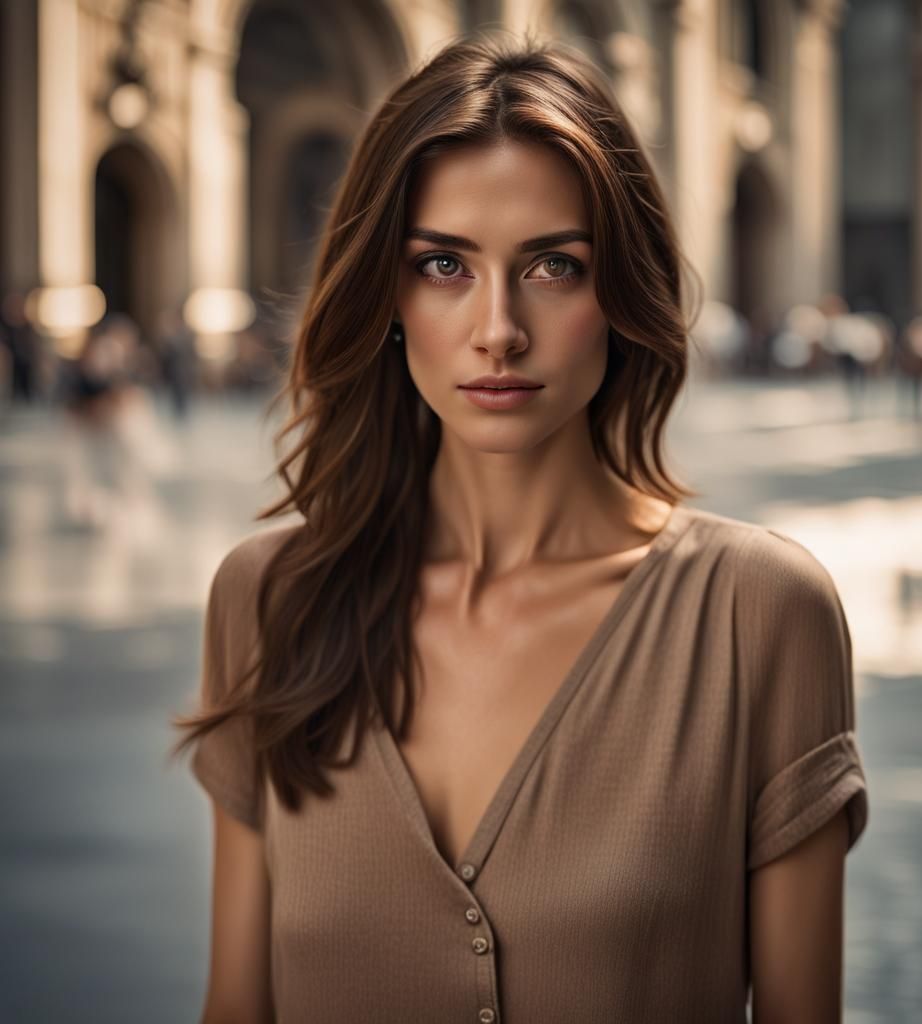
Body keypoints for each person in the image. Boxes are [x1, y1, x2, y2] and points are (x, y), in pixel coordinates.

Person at [170, 32, 868, 1024]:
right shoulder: (269, 597)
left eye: (552, 266)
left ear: (621, 293)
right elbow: (236, 1006)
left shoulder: (758, 613)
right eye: (445, 263)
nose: (497, 327)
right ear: (389, 295)